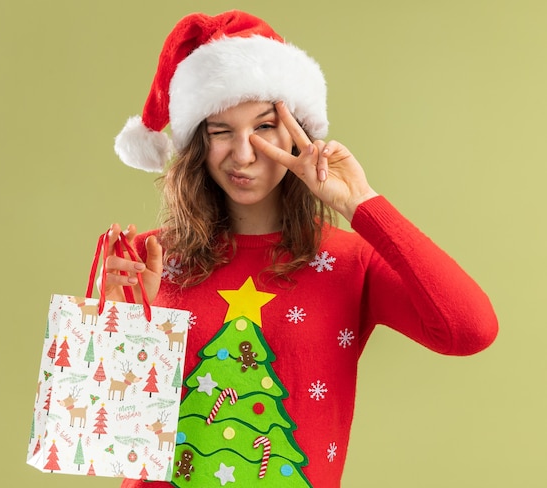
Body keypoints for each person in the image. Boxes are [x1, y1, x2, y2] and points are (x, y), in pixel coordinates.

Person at [102, 10, 498, 488]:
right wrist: (126, 330)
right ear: (196, 145)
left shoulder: (350, 261)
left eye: (264, 127)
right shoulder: (146, 257)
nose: (243, 155)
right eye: (220, 131)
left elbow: (470, 330)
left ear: (299, 131)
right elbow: (117, 444)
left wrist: (363, 205)